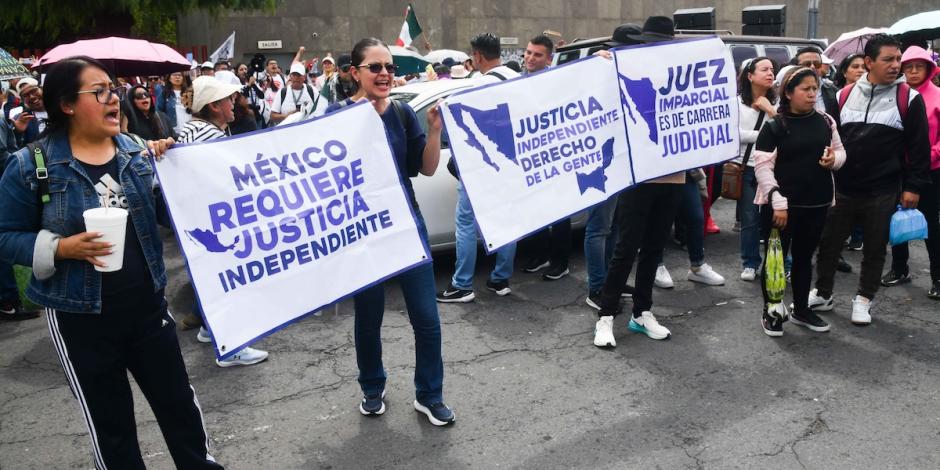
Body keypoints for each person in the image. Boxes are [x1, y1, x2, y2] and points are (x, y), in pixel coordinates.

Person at [0, 55, 222, 469]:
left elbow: (167, 217)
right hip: (79, 317)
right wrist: (61, 248)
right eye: (99, 91)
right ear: (67, 104)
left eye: (113, 89)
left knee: (180, 410)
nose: (113, 98)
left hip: (148, 309)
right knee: (113, 428)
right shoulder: (32, 165)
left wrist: (173, 172)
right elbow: (4, 236)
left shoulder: (137, 151)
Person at [325, 37, 454, 426]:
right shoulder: (335, 116)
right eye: (375, 67)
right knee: (369, 318)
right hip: (363, 233)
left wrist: (433, 130)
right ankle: (372, 388)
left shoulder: (400, 113)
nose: (384, 74)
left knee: (427, 319)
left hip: (406, 229)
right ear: (355, 72)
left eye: (389, 68)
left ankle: (429, 395)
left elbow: (427, 168)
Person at [808, 34, 931, 325]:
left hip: (883, 189)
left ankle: (864, 299)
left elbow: (919, 148)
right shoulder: (843, 95)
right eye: (888, 59)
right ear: (869, 62)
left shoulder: (909, 99)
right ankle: (823, 292)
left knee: (875, 248)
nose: (896, 65)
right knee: (828, 244)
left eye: (897, 59)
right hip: (843, 186)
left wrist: (913, 187)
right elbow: (830, 138)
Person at [588, 16, 681, 348]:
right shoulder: (626, 68)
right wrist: (600, 66)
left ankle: (642, 312)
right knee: (626, 247)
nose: (655, 47)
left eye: (661, 42)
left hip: (673, 172)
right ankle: (606, 315)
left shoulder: (679, 70)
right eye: (650, 41)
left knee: (655, 247)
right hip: (637, 173)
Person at [176, 75, 270, 367]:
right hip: (216, 224)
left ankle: (207, 328)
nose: (234, 103)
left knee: (212, 279)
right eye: (229, 99)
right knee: (230, 281)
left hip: (198, 223)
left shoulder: (191, 129)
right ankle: (232, 346)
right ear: (215, 106)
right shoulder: (211, 137)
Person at [753, 66, 846, 335]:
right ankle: (771, 311)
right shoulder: (774, 126)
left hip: (816, 204)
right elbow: (762, 168)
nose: (812, 94)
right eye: (806, 89)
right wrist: (777, 200)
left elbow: (841, 153)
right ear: (789, 93)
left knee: (804, 259)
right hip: (781, 208)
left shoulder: (826, 121)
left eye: (815, 89)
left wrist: (834, 160)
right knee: (775, 260)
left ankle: (802, 310)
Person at [436, 32, 520, 303]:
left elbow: (464, 130)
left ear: (478, 56)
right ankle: (500, 279)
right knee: (508, 221)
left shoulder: (476, 86)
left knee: (466, 224)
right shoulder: (518, 80)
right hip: (511, 163)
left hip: (482, 166)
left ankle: (462, 285)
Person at [881, 46, 940, 298]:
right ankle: (899, 268)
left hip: (930, 171)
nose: (914, 71)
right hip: (897, 170)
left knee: (931, 225)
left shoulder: (937, 96)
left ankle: (938, 277)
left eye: (919, 66)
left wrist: (927, 158)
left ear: (929, 68)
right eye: (909, 66)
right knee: (897, 221)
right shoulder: (896, 94)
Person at [518, 34, 572, 280]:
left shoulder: (557, 82)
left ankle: (561, 262)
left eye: (537, 54)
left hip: (556, 156)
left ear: (549, 59)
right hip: (531, 157)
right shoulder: (519, 81)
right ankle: (541, 255)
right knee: (536, 209)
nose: (530, 57)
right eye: (528, 52)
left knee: (560, 212)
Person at [736, 57, 778, 282]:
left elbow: (784, 131)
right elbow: (733, 135)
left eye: (772, 69)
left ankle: (778, 262)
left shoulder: (779, 102)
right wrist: (765, 134)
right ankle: (750, 262)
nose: (770, 73)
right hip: (747, 167)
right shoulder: (736, 104)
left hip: (773, 168)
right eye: (764, 69)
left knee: (775, 218)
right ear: (750, 76)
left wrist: (770, 111)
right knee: (750, 219)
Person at [10, 77, 47, 146]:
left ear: (41, 89)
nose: (32, 97)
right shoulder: (21, 119)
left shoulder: (59, 110)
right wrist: (18, 132)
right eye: (26, 95)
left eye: (33, 91)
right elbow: (15, 148)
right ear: (23, 100)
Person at [156, 71, 193, 135]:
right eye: (174, 75)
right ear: (169, 78)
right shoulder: (164, 93)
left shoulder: (189, 92)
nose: (177, 77)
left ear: (183, 78)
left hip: (190, 129)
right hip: (174, 131)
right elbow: (159, 111)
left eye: (180, 75)